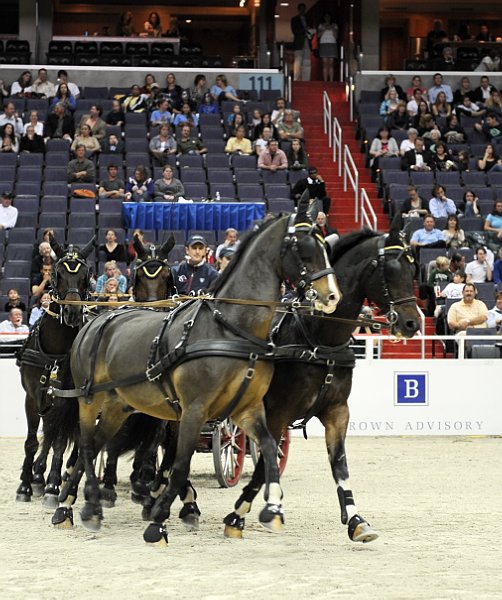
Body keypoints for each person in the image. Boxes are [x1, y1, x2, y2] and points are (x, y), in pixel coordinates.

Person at [291, 3, 314, 82]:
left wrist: (310, 31)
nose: (302, 11)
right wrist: (305, 30)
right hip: (298, 43)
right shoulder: (294, 19)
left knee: (307, 62)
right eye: (301, 9)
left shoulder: (309, 19)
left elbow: (311, 30)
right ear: (298, 10)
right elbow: (295, 31)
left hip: (307, 42)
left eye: (304, 9)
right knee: (298, 61)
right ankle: (296, 79)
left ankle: (306, 80)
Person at [317, 12, 338, 83]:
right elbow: (318, 35)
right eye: (326, 17)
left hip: (332, 44)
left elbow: (336, 36)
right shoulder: (321, 25)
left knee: (331, 63)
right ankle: (325, 81)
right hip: (323, 44)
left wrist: (331, 28)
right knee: (325, 63)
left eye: (328, 17)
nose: (327, 18)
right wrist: (324, 29)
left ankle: (331, 81)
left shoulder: (334, 25)